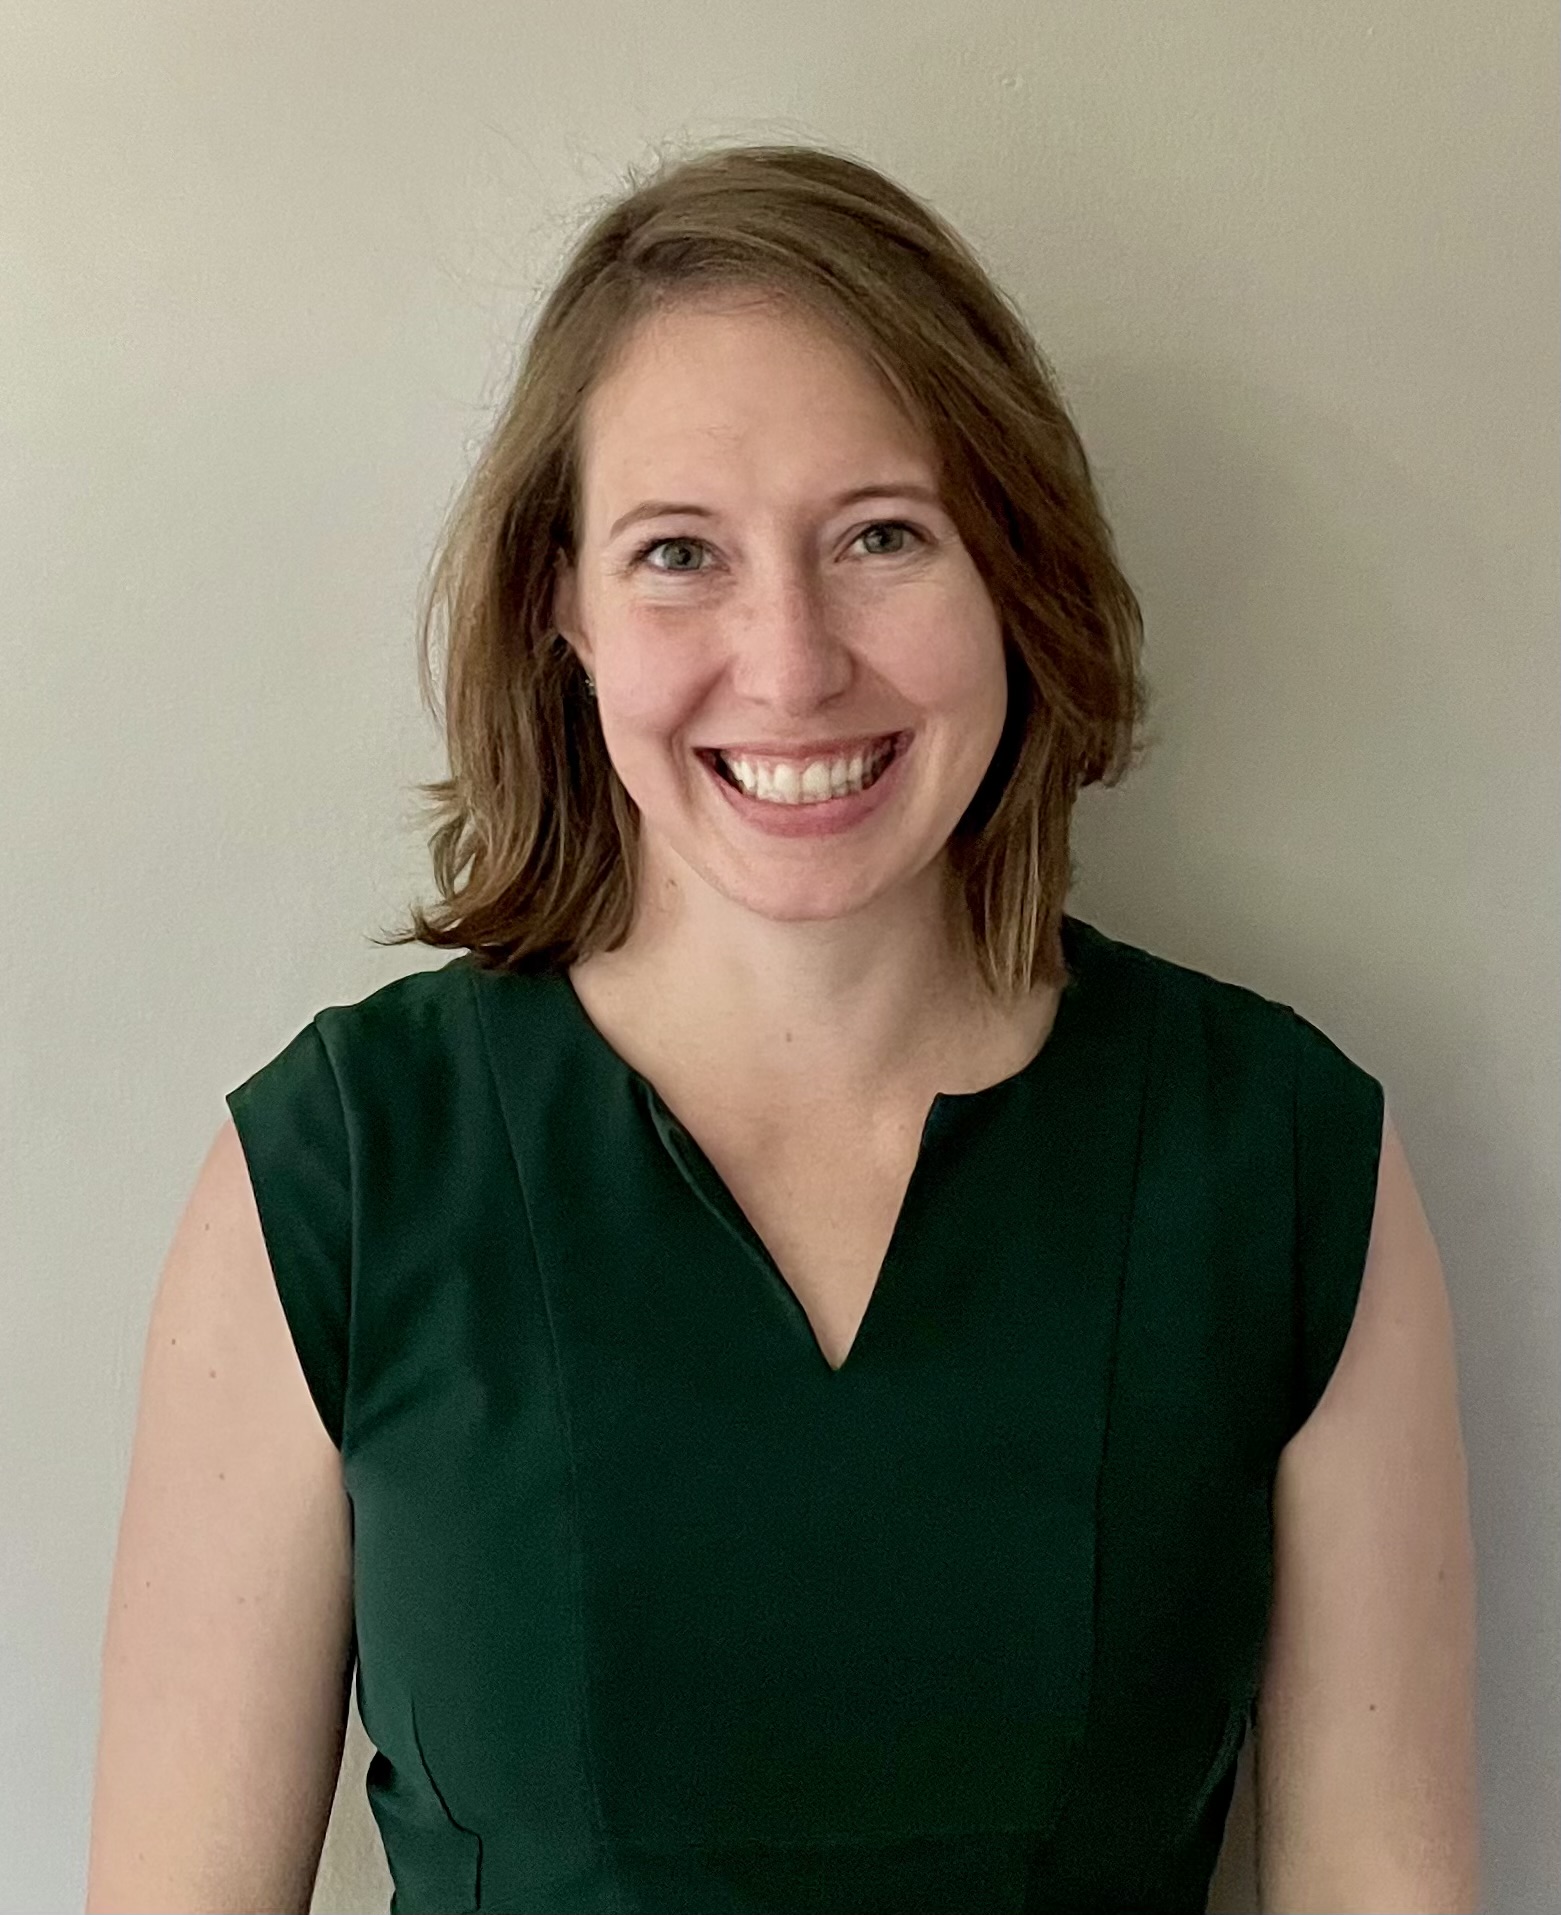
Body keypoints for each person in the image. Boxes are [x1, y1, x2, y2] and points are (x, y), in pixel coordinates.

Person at [86, 141, 1480, 1914]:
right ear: (562, 613)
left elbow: (1385, 1882)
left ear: (1013, 572)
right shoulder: (344, 1173)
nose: (791, 659)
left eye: (880, 536)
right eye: (679, 554)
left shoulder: (1278, 1162)